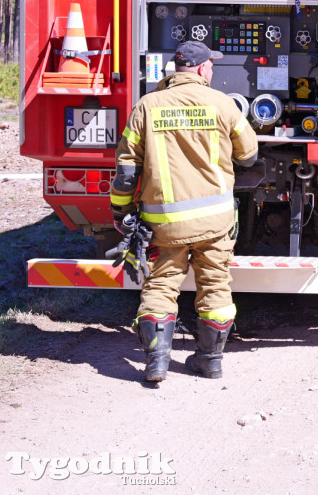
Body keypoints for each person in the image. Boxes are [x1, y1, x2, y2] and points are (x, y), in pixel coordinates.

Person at [110, 40, 258, 382]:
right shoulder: (222, 104)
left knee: (161, 285)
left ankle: (157, 362)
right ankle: (211, 360)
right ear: (204, 69)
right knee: (216, 285)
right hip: (215, 223)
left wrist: (120, 213)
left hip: (165, 223)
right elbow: (249, 155)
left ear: (176, 70)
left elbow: (127, 170)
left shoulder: (147, 106)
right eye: (211, 66)